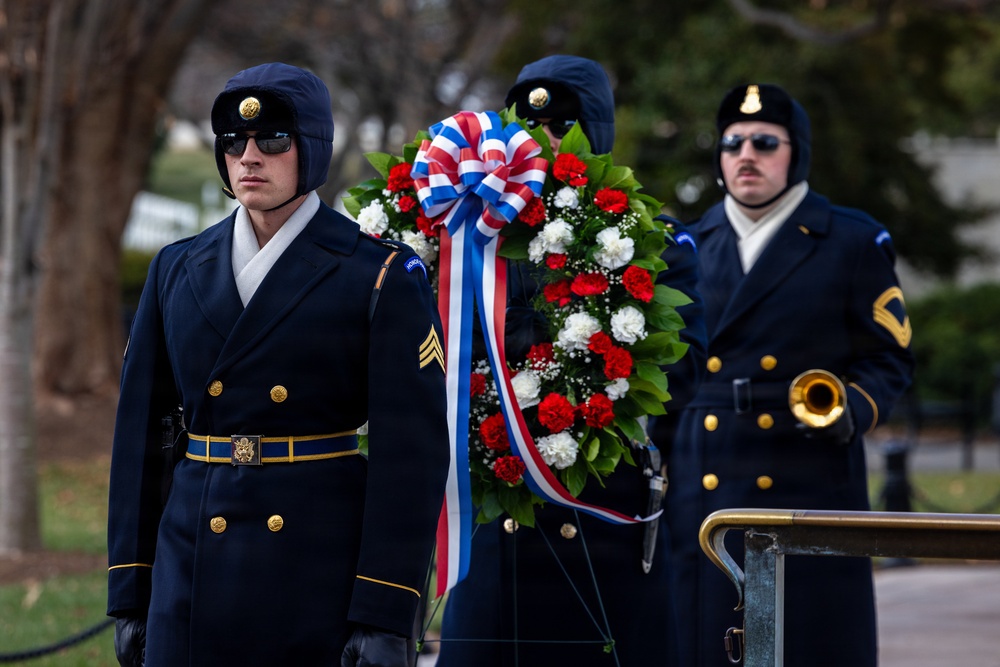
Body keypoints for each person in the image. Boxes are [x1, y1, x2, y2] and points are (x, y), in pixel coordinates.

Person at [106, 62, 450, 667]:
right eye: (233, 142)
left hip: (315, 571)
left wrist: (385, 612)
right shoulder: (176, 268)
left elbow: (410, 460)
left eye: (272, 141)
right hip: (190, 566)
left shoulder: (378, 275)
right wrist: (131, 591)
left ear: (311, 152)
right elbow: (139, 441)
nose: (249, 157)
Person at [436, 54, 707, 666]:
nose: (542, 139)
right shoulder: (471, 238)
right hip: (497, 517)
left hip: (599, 518)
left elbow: (682, 373)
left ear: (596, 134)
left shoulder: (656, 240)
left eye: (562, 124)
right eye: (527, 125)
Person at [666, 83, 915, 666]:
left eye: (764, 141)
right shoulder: (685, 245)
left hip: (808, 473)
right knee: (702, 643)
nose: (745, 154)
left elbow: (889, 357)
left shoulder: (851, 240)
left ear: (795, 151)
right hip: (703, 480)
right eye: (731, 143)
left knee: (808, 643)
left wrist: (850, 410)